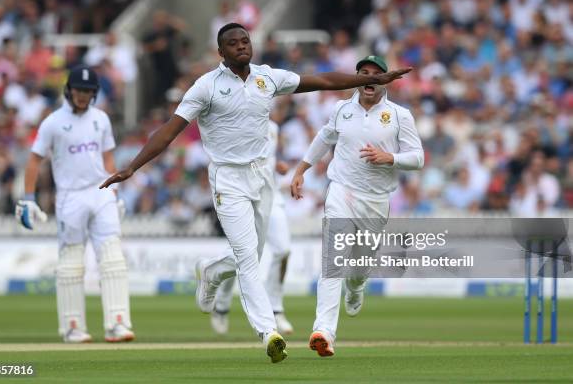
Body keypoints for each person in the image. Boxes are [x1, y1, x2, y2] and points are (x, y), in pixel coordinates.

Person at [100, 24, 411, 363]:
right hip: (228, 181)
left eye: (245, 41)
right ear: (221, 53)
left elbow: (322, 81)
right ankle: (268, 333)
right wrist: (133, 166)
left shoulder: (267, 78)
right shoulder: (206, 87)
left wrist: (374, 81)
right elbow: (169, 131)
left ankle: (212, 271)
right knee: (249, 259)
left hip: (262, 177)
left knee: (253, 254)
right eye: (232, 44)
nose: (241, 47)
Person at [290, 55, 424, 357]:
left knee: (360, 267)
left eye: (376, 74)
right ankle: (323, 331)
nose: (369, 79)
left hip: (376, 199)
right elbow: (324, 139)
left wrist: (390, 158)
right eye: (364, 73)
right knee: (333, 258)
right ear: (358, 77)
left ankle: (356, 286)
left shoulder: (399, 114)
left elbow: (418, 158)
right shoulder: (341, 109)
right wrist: (301, 170)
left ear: (384, 80)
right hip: (341, 191)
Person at [16, 65, 135, 344]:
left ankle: (118, 323)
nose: (83, 96)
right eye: (79, 91)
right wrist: (29, 198)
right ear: (69, 90)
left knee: (113, 258)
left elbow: (108, 158)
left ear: (94, 94)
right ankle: (72, 327)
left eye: (88, 92)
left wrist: (114, 191)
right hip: (70, 197)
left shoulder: (101, 119)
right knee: (71, 263)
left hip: (101, 191)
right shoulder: (53, 122)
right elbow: (35, 159)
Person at [211, 120, 294, 336]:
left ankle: (276, 308)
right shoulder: (235, 120)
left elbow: (266, 158)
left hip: (271, 196)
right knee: (243, 255)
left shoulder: (274, 127)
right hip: (241, 194)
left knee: (283, 249)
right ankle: (221, 305)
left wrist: (278, 165)